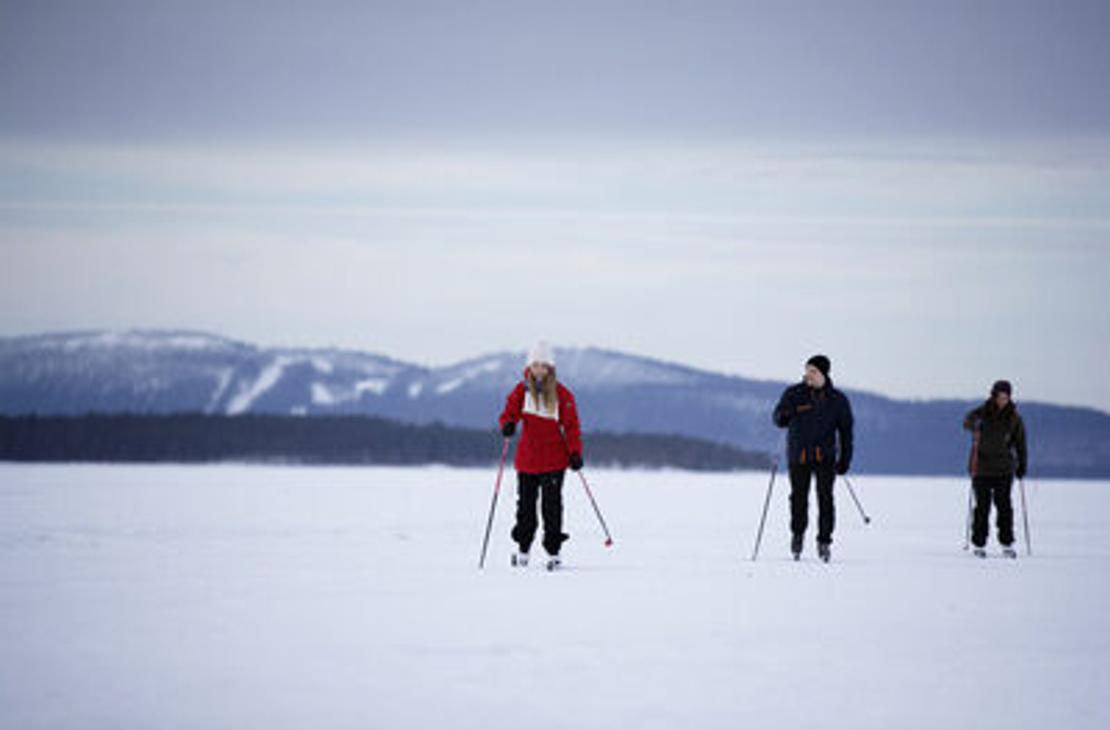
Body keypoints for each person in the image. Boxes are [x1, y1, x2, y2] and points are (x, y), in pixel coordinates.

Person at [498, 341, 583, 571]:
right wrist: (507, 424)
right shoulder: (521, 391)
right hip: (527, 461)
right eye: (535, 365)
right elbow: (509, 413)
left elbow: (572, 427)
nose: (539, 370)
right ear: (529, 366)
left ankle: (554, 552)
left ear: (550, 368)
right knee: (525, 509)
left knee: (551, 508)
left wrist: (575, 452)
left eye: (543, 365)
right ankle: (523, 549)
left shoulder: (562, 394)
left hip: (555, 461)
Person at [773, 355, 854, 562]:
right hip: (798, 456)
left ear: (824, 374)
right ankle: (797, 535)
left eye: (813, 371)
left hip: (825, 457)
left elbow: (846, 433)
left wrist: (845, 460)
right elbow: (778, 418)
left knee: (825, 498)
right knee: (798, 498)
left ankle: (824, 541)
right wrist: (783, 415)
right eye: (807, 370)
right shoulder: (794, 393)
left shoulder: (837, 400)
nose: (808, 375)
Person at [963, 380, 1028, 559]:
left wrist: (1022, 464)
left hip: (1004, 469)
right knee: (982, 507)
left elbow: (1020, 444)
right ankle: (979, 544)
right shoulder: (981, 413)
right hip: (981, 468)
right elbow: (967, 422)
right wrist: (974, 425)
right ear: (993, 396)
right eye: (1000, 397)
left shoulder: (1014, 418)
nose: (1002, 400)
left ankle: (1007, 543)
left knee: (1004, 506)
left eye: (1005, 397)